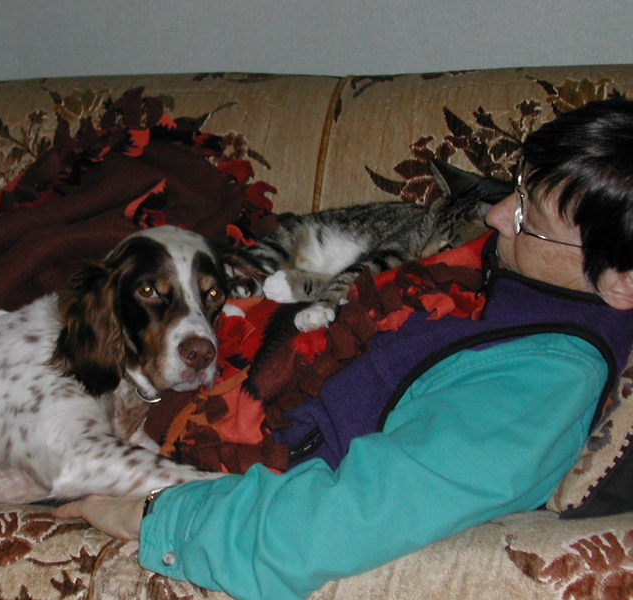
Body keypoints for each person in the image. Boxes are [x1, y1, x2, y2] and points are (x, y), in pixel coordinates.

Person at [53, 98, 633, 600]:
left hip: (222, 452)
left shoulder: (539, 385)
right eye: (519, 189)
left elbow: (343, 519)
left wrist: (155, 515)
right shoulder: (521, 278)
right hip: (197, 369)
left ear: (623, 282)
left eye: (531, 218)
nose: (497, 214)